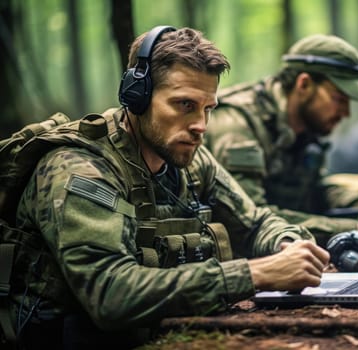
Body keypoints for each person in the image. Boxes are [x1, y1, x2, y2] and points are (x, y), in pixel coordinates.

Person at [2, 26, 330, 349]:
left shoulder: (190, 160)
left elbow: (256, 222)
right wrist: (253, 274)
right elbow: (110, 294)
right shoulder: (78, 169)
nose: (201, 125)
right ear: (137, 96)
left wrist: (287, 244)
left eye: (208, 109)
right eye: (184, 105)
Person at [205, 34, 358, 270]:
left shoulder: (305, 128)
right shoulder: (237, 124)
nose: (346, 113)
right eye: (338, 99)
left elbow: (318, 191)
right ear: (304, 84)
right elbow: (251, 219)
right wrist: (353, 229)